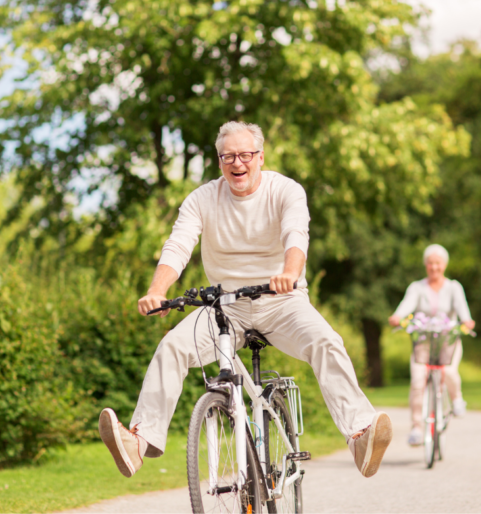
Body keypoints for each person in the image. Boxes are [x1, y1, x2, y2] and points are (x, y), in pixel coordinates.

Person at [98, 121, 393, 479]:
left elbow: (296, 235)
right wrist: (156, 290)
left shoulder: (285, 190)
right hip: (225, 307)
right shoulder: (202, 198)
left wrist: (289, 272)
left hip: (282, 300)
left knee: (326, 341)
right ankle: (138, 442)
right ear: (219, 161)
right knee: (172, 347)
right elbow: (178, 245)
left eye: (245, 155)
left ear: (260, 157)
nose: (237, 163)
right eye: (228, 157)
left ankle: (360, 435)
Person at [387, 244, 475, 447]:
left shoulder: (454, 287)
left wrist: (467, 321)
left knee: (449, 371)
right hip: (423, 342)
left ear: (444, 265)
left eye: (438, 263)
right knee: (418, 381)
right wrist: (398, 316)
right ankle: (416, 428)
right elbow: (406, 305)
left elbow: (464, 312)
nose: (434, 267)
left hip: (448, 341)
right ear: (426, 265)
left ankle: (457, 399)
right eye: (430, 263)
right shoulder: (417, 287)